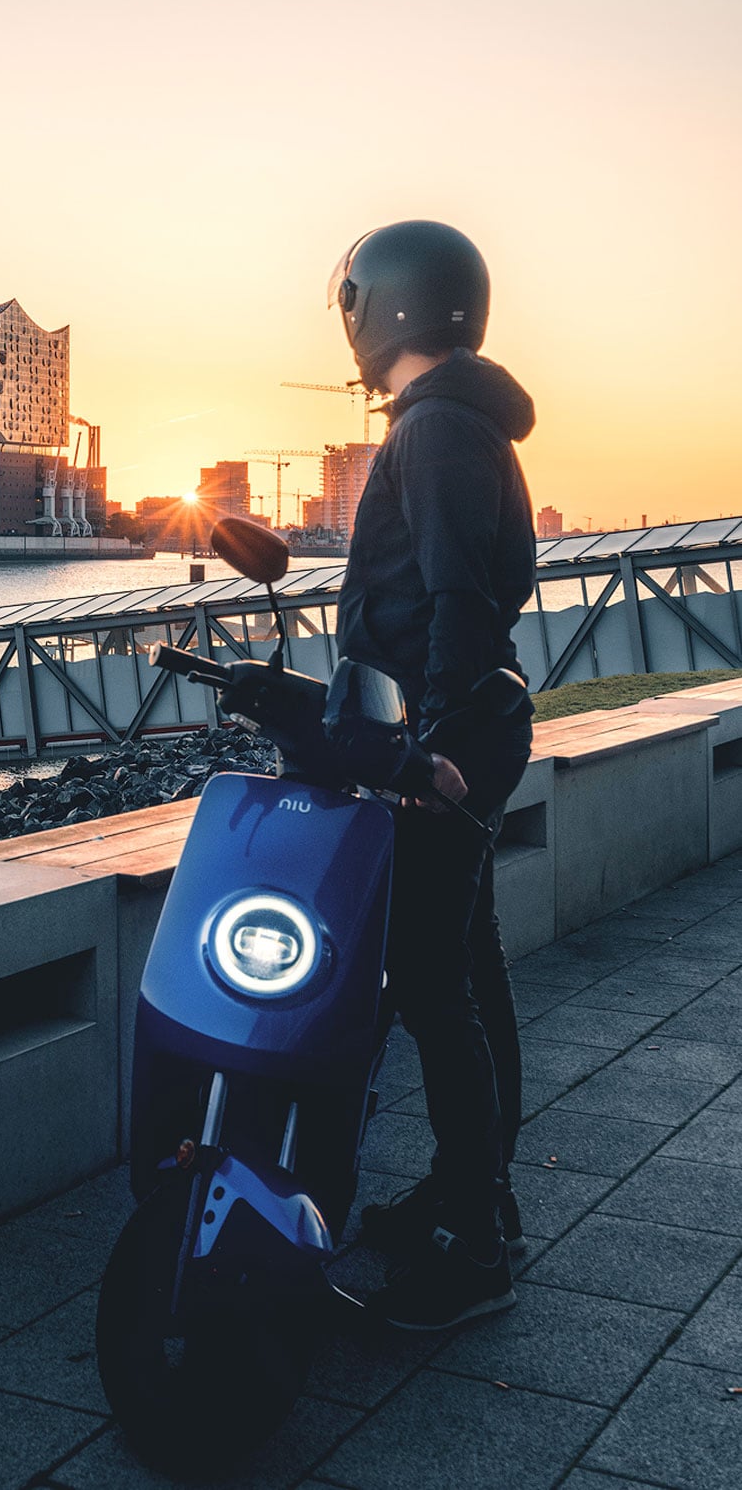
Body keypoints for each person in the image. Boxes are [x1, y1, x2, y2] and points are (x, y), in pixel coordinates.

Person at [328, 220, 537, 1330]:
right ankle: (472, 1197)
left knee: (427, 977)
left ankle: (477, 1238)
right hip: (465, 727)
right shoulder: (454, 419)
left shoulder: (440, 428)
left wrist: (436, 743)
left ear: (384, 306)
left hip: (451, 737)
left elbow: (457, 595)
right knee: (467, 966)